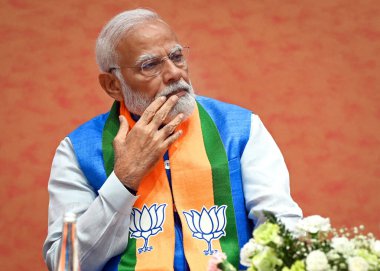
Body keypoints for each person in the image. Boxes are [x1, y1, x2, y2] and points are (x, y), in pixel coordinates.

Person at [43, 8, 302, 271]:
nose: (174, 73)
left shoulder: (241, 130)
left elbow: (282, 227)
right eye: (150, 65)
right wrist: (123, 181)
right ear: (113, 85)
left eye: (177, 57)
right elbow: (65, 263)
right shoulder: (77, 150)